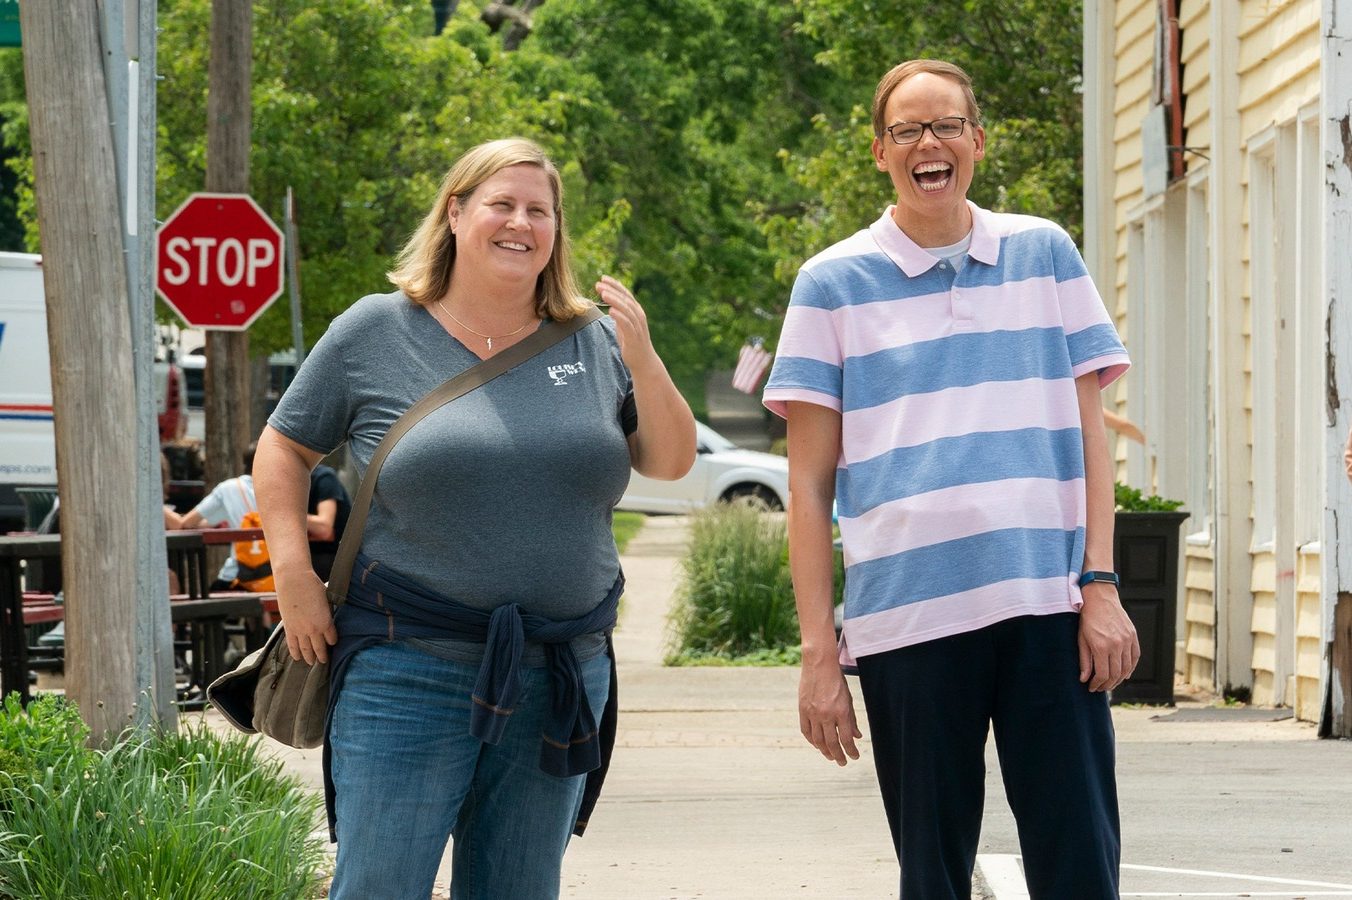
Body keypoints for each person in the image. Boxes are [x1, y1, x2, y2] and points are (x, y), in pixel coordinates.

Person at [253, 137, 695, 900]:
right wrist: (294, 573)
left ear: (556, 230)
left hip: (561, 673)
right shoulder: (375, 331)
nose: (519, 222)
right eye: (501, 203)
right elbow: (283, 447)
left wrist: (644, 355)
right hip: (407, 672)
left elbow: (670, 461)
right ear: (456, 213)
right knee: (380, 887)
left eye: (539, 210)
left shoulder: (594, 341)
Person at [762, 60, 1137, 899]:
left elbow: (1091, 439)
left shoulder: (1044, 254)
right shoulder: (830, 284)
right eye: (907, 131)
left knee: (1081, 865)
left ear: (976, 140)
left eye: (946, 126)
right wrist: (821, 654)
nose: (928, 144)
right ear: (879, 151)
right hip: (911, 621)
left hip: (1050, 608)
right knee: (931, 875)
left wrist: (1102, 586)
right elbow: (809, 487)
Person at [177, 442, 261, 591]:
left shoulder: (228, 488)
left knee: (211, 608)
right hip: (275, 575)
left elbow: (187, 523)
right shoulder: (281, 488)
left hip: (239, 575)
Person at [302, 463, 350, 582]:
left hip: (331, 556)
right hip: (308, 553)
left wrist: (286, 513)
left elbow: (324, 529)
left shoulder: (323, 477)